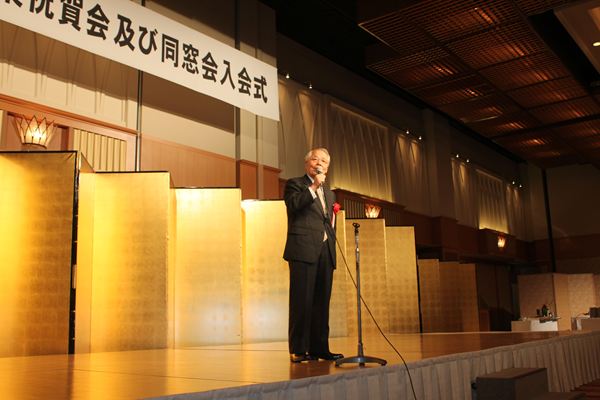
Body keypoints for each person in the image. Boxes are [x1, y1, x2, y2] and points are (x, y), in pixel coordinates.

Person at [283, 147, 343, 363]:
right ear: (307, 163)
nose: (319, 164)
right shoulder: (295, 184)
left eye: (324, 161)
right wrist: (314, 186)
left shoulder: (330, 193)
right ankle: (298, 349)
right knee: (302, 300)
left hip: (325, 251)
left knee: (321, 302)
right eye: (315, 160)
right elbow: (294, 205)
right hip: (303, 249)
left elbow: (327, 220)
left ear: (328, 167)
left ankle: (319, 348)